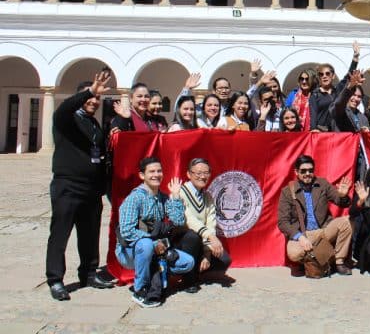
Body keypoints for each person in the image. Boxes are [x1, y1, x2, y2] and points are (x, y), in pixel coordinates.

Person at [46, 70, 115, 301]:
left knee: (90, 233)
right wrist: (90, 90)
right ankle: (55, 279)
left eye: (97, 99)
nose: (94, 101)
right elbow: (66, 107)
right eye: (90, 98)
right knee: (60, 234)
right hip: (68, 186)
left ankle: (88, 272)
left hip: (91, 188)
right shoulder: (66, 119)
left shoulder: (94, 124)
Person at [115, 157, 195, 307]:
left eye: (159, 171)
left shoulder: (163, 198)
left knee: (188, 262)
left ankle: (154, 275)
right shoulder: (135, 198)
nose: (156, 174)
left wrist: (176, 196)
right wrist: (154, 243)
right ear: (142, 175)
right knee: (146, 245)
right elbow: (126, 231)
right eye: (151, 171)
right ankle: (140, 289)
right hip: (129, 251)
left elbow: (177, 221)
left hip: (155, 250)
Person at [277, 155, 354, 276]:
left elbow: (341, 202)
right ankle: (317, 260)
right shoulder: (287, 192)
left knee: (347, 221)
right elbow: (283, 222)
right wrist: (300, 237)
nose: (308, 173)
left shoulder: (322, 184)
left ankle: (339, 262)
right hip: (303, 235)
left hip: (323, 231)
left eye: (310, 170)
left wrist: (343, 195)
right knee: (294, 253)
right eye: (303, 171)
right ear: (296, 172)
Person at [177, 158, 232, 291]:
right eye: (198, 173)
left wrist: (207, 254)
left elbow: (211, 224)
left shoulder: (208, 196)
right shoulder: (179, 192)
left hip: (201, 242)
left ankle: (197, 270)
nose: (202, 176)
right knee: (192, 237)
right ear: (189, 174)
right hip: (181, 242)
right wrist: (211, 238)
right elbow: (188, 219)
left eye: (206, 173)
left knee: (224, 259)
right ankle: (188, 279)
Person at [309, 42, 360, 132]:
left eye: (327, 73)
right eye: (321, 74)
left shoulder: (338, 90)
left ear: (333, 76)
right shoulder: (315, 95)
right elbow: (313, 114)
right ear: (319, 78)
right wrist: (313, 129)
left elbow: (348, 77)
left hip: (338, 131)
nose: (324, 76)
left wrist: (355, 58)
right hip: (322, 132)